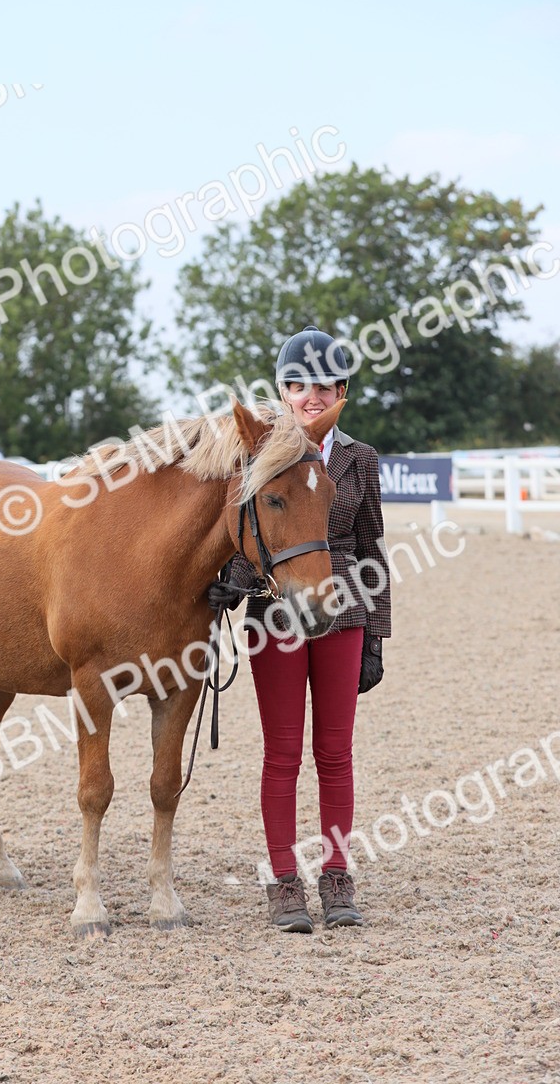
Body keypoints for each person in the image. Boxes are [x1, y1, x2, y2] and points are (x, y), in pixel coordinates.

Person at [217, 325, 391, 933]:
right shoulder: (263, 455)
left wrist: (376, 636)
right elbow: (253, 536)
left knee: (335, 752)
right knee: (283, 753)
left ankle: (337, 873)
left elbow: (372, 546)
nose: (309, 396)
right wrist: (231, 584)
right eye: (297, 385)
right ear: (282, 392)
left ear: (341, 391)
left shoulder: (359, 459)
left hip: (344, 612)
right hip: (278, 615)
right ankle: (284, 881)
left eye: (322, 386)